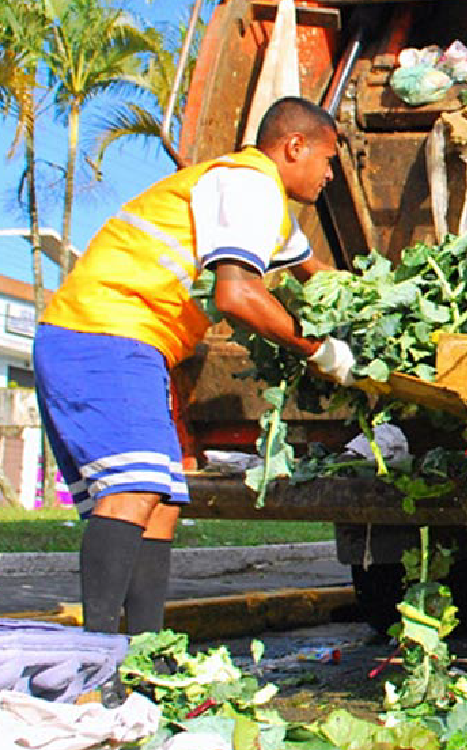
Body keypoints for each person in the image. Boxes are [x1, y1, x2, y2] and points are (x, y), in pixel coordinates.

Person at [33, 96, 360, 637]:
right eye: (327, 160)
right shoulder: (248, 183)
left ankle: (147, 654)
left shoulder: (266, 202)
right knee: (132, 491)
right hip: (104, 331)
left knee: (161, 501)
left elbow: (317, 273)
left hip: (135, 343)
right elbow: (236, 294)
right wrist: (317, 349)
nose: (330, 175)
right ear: (294, 146)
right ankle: (94, 661)